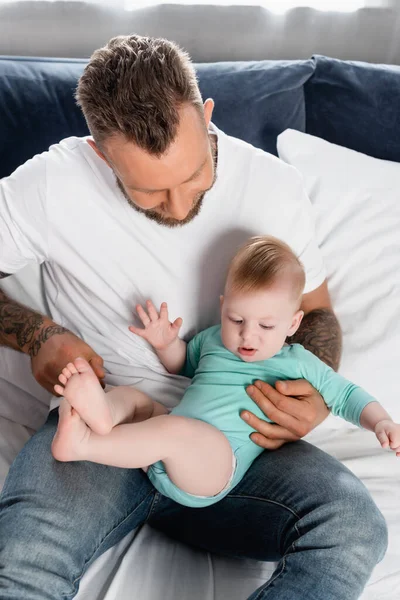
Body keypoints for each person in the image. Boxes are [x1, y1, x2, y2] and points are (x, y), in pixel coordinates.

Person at [0, 34, 387, 599]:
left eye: (194, 177)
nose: (180, 208)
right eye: (151, 195)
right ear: (102, 153)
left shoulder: (273, 188)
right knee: (23, 567)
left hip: (239, 440)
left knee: (353, 531)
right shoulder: (47, 186)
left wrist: (310, 394)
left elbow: (315, 313)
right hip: (106, 425)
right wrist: (38, 335)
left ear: (206, 116)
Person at [51, 235, 400, 508]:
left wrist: (381, 422)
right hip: (165, 447)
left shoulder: (297, 361)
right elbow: (183, 365)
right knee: (135, 399)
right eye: (236, 319)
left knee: (174, 429)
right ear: (223, 307)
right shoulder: (215, 339)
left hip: (213, 469)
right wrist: (164, 344)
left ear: (293, 323)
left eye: (266, 325)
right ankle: (103, 415)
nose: (248, 335)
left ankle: (83, 444)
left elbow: (347, 395)